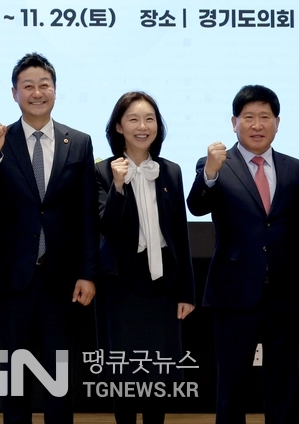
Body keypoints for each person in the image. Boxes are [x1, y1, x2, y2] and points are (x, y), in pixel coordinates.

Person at [0, 52, 99, 424]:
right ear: (15, 93)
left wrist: (88, 273)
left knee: (59, 380)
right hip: (13, 278)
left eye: (44, 85)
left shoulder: (78, 142)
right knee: (15, 379)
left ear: (55, 90)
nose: (37, 93)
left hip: (63, 279)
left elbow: (88, 214)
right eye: (27, 86)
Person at [187, 84, 299, 424]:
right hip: (234, 292)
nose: (257, 125)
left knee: (283, 384)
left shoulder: (295, 169)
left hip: (285, 292)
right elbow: (197, 206)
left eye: (265, 117)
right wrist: (210, 173)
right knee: (232, 385)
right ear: (234, 123)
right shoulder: (216, 164)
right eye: (248, 117)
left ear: (278, 122)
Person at [94, 91, 195, 424]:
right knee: (124, 372)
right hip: (121, 283)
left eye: (149, 119)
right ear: (118, 126)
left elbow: (180, 235)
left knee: (158, 373)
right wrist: (118, 186)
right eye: (133, 119)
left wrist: (186, 292)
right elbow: (107, 226)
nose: (142, 127)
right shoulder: (102, 171)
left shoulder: (171, 171)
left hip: (162, 281)